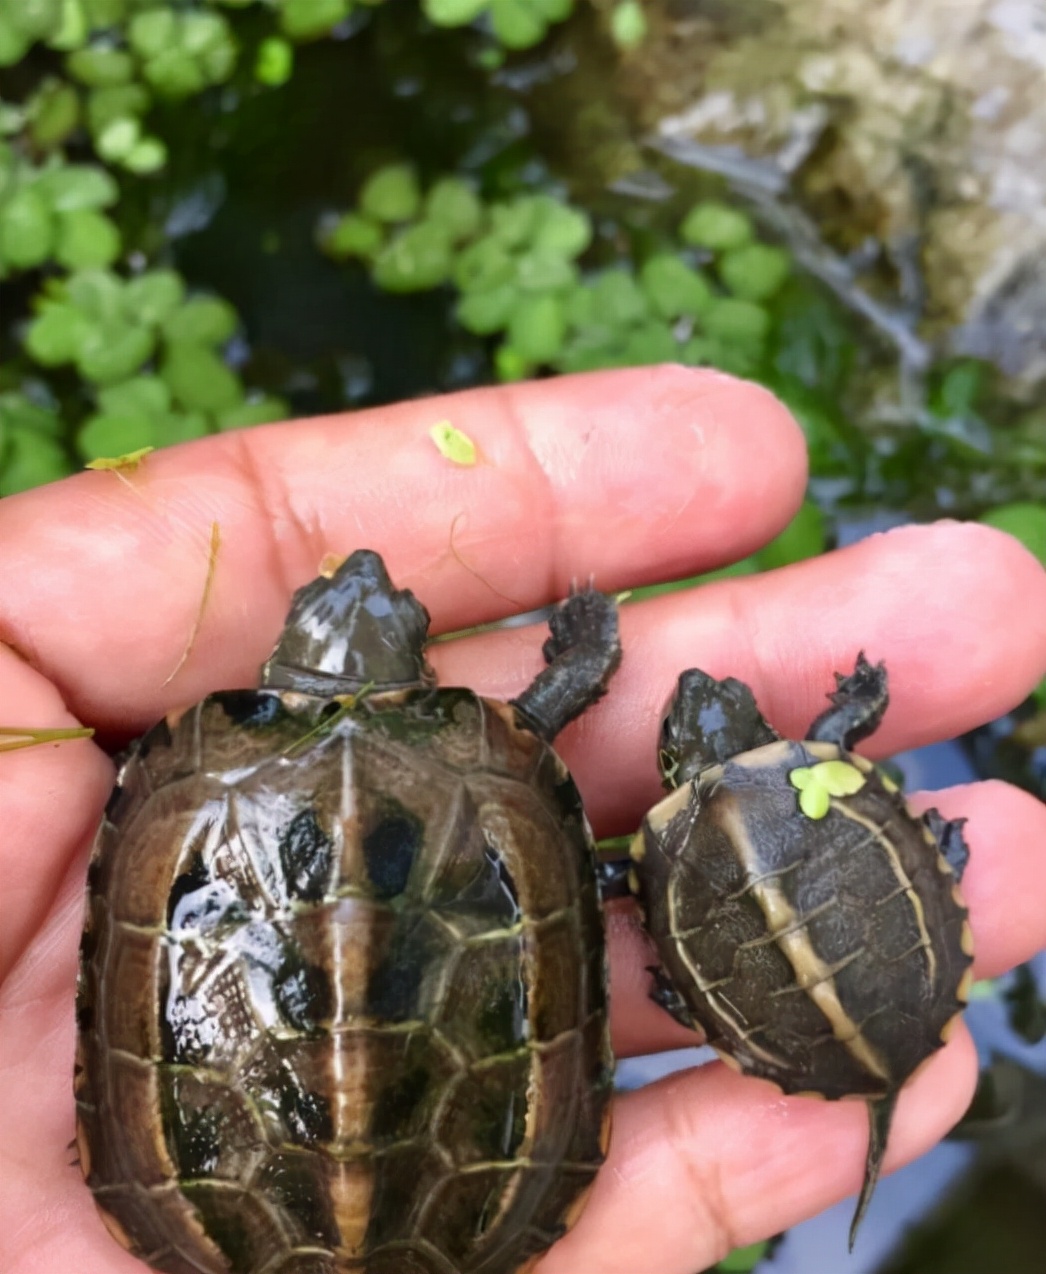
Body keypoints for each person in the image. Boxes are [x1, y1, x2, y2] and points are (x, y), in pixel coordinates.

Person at [1, 364, 1044, 1274]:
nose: (368, 580)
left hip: (210, 1225)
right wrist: (585, 644)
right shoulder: (486, 755)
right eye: (390, 609)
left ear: (284, 652)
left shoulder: (193, 765)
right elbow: (576, 686)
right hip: (468, 1219)